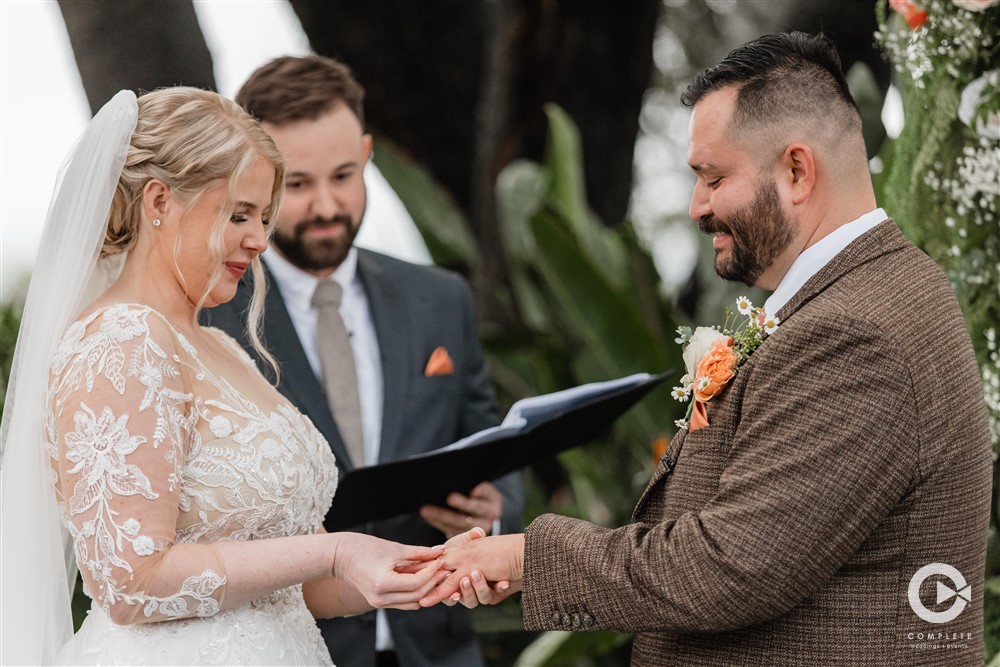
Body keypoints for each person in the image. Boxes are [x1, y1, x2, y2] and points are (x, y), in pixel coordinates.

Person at [420, 32, 993, 665]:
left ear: (797, 170)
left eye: (714, 177)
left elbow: (737, 565)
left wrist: (530, 556)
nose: (698, 206)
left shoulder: (857, 333)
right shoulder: (865, 293)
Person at [0, 87, 453, 666]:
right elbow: (131, 581)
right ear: (160, 200)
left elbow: (296, 587)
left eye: (263, 218)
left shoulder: (218, 347)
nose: (260, 240)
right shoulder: (120, 343)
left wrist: (421, 569)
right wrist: (335, 551)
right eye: (240, 214)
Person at [202, 55, 524, 667]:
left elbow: (485, 432)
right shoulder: (207, 317)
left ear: (369, 154)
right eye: (297, 185)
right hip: (291, 646)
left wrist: (496, 505)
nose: (327, 205)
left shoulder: (440, 298)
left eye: (345, 175)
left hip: (439, 643)